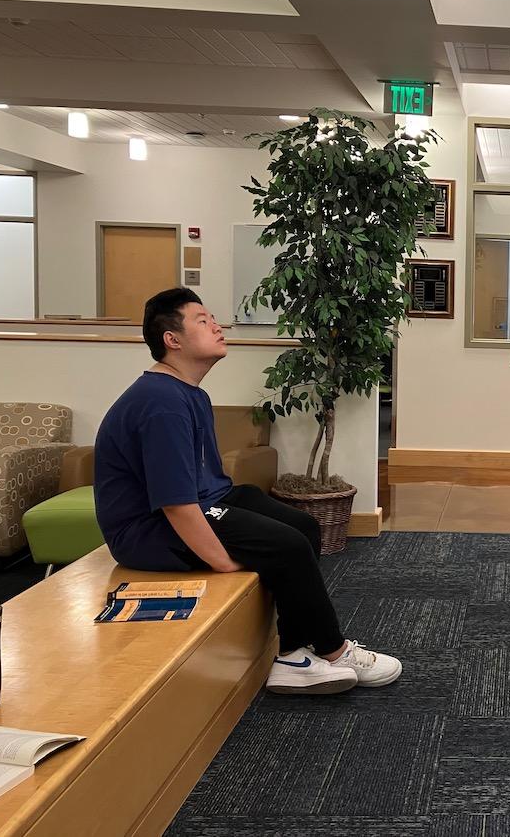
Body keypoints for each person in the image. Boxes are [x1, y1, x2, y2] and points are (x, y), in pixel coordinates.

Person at [94, 288, 401, 695]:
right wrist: (222, 561)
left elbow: (202, 488)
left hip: (206, 502)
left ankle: (293, 652)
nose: (217, 326)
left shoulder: (189, 393)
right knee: (287, 546)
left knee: (304, 526)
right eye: (203, 321)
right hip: (147, 530)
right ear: (173, 340)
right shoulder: (160, 402)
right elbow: (176, 502)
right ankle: (333, 649)